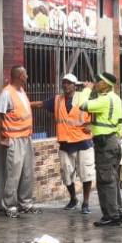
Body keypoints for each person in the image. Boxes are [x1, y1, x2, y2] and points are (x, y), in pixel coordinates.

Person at [31, 73, 96, 214]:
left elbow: (96, 112)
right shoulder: (57, 100)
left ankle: (85, 203)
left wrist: (92, 125)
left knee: (86, 174)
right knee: (66, 174)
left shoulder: (83, 97)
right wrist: (25, 104)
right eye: (63, 83)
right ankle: (73, 199)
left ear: (74, 85)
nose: (65, 85)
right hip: (65, 143)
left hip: (83, 141)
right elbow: (41, 104)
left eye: (68, 83)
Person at [80, 71, 122, 227]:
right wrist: (92, 126)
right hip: (112, 141)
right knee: (112, 180)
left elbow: (82, 105)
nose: (95, 83)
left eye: (98, 81)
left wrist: (87, 89)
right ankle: (117, 213)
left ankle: (111, 216)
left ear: (105, 84)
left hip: (105, 145)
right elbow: (112, 122)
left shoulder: (105, 100)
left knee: (105, 181)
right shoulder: (115, 98)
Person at [0, 65, 36, 218]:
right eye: (25, 74)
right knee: (14, 174)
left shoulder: (21, 91)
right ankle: (10, 206)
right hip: (15, 139)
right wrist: (0, 137)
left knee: (27, 172)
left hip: (26, 137)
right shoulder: (7, 93)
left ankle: (26, 203)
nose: (27, 77)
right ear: (19, 76)